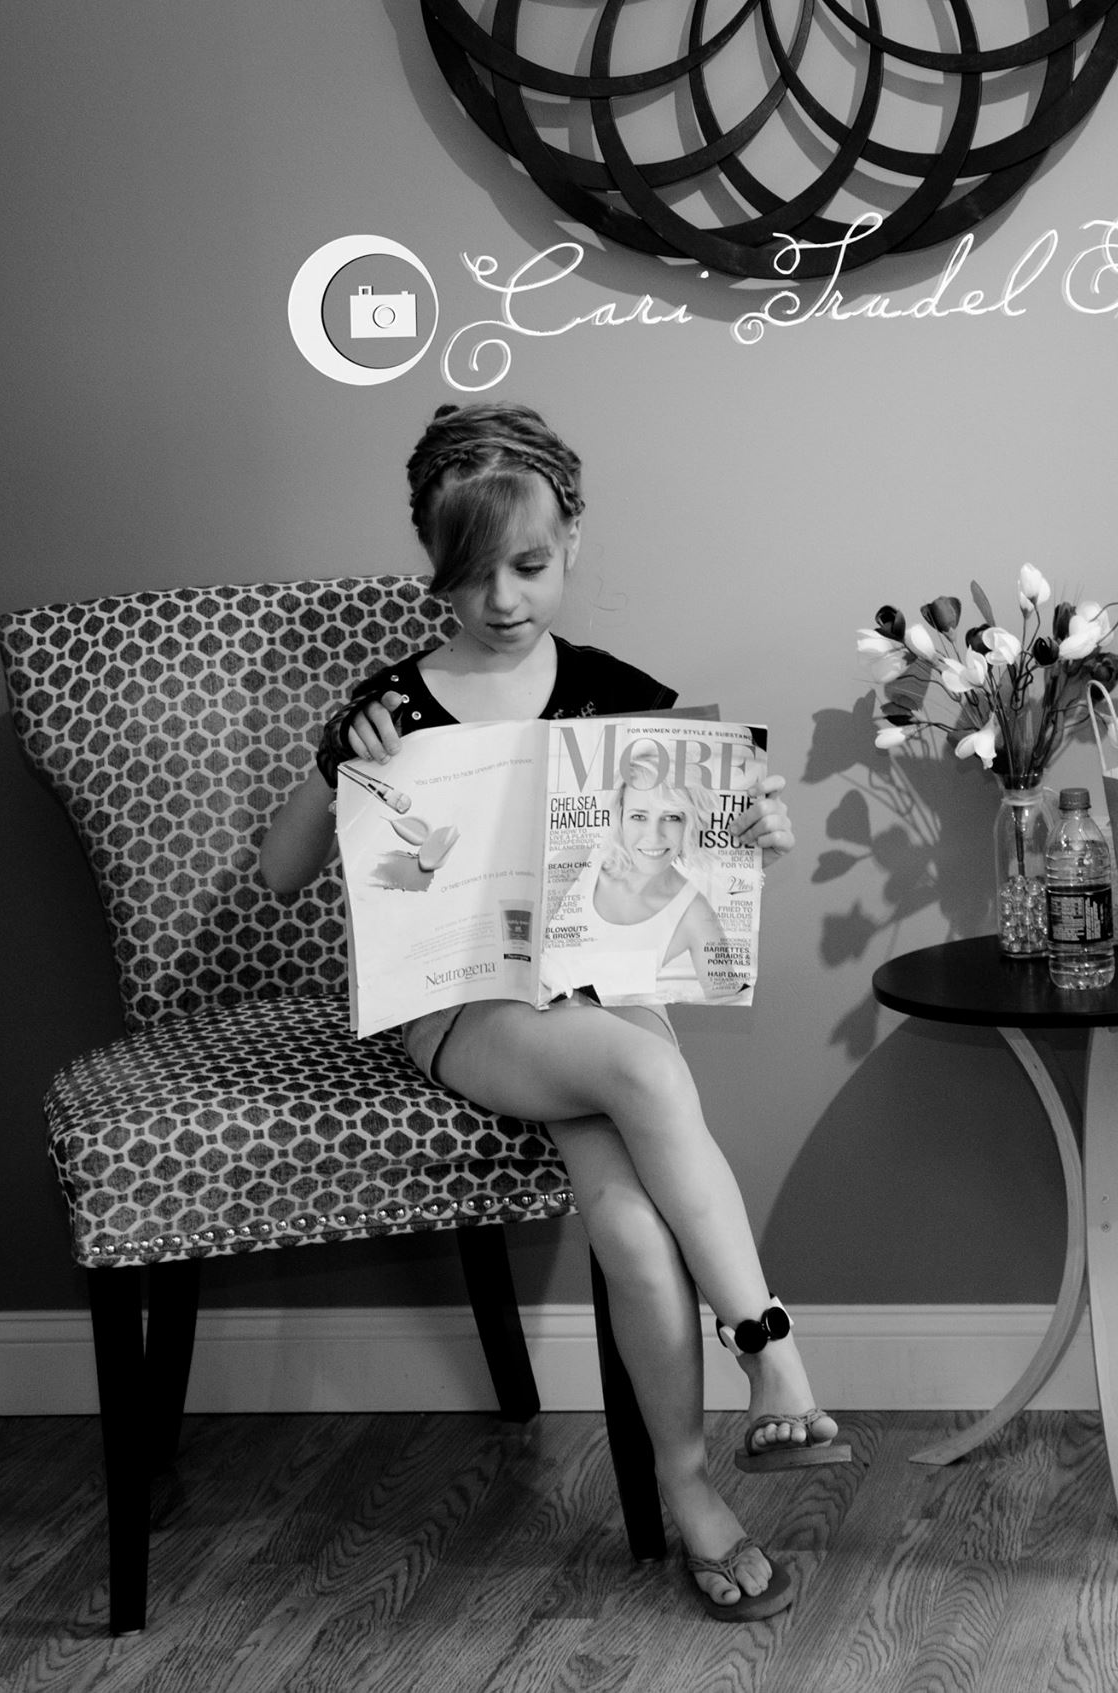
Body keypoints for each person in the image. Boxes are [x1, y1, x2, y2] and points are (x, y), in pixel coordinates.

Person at [258, 401, 841, 1623]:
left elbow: (688, 858)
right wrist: (336, 765)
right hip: (464, 1010)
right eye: (469, 572)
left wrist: (752, 829)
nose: (501, 599)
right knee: (648, 1076)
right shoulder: (391, 709)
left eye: (527, 564)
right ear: (432, 560)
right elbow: (279, 872)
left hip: (600, 987)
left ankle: (688, 1490)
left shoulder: (614, 694)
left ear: (572, 537)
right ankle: (770, 1347)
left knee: (631, 1228)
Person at [565, 782, 738, 1001]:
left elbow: (729, 1000)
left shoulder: (695, 913)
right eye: (638, 816)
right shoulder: (579, 860)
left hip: (614, 1022)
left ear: (690, 822)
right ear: (620, 816)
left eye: (672, 817)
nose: (654, 837)